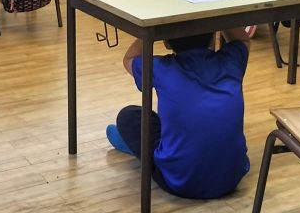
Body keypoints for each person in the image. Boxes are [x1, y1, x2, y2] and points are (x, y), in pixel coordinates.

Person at [107, 28, 251, 199]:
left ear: (166, 42)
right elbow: (243, 40)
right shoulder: (231, 61)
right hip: (231, 178)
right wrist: (222, 20)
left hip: (181, 182)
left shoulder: (161, 68)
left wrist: (154, 29)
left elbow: (129, 58)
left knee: (128, 117)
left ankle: (134, 147)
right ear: (214, 38)